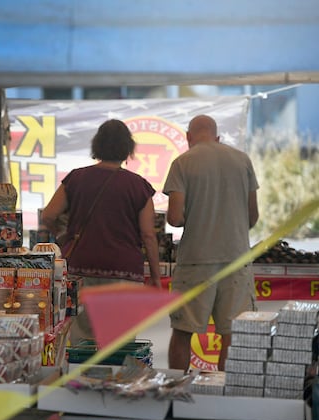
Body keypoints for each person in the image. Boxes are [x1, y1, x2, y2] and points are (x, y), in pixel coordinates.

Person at [41, 119, 162, 346]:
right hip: (124, 273)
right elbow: (148, 235)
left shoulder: (76, 178)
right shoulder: (138, 186)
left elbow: (48, 214)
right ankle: (117, 380)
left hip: (81, 268)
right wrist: (155, 277)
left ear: (97, 145)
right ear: (128, 148)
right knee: (119, 341)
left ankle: (83, 380)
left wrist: (63, 234)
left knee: (82, 340)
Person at [163, 115, 259, 371]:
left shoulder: (182, 163)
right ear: (217, 138)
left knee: (183, 332)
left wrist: (198, 216)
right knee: (231, 334)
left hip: (195, 260)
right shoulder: (242, 160)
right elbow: (253, 216)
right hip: (236, 260)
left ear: (188, 137)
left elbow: (174, 218)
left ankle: (176, 392)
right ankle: (225, 399)